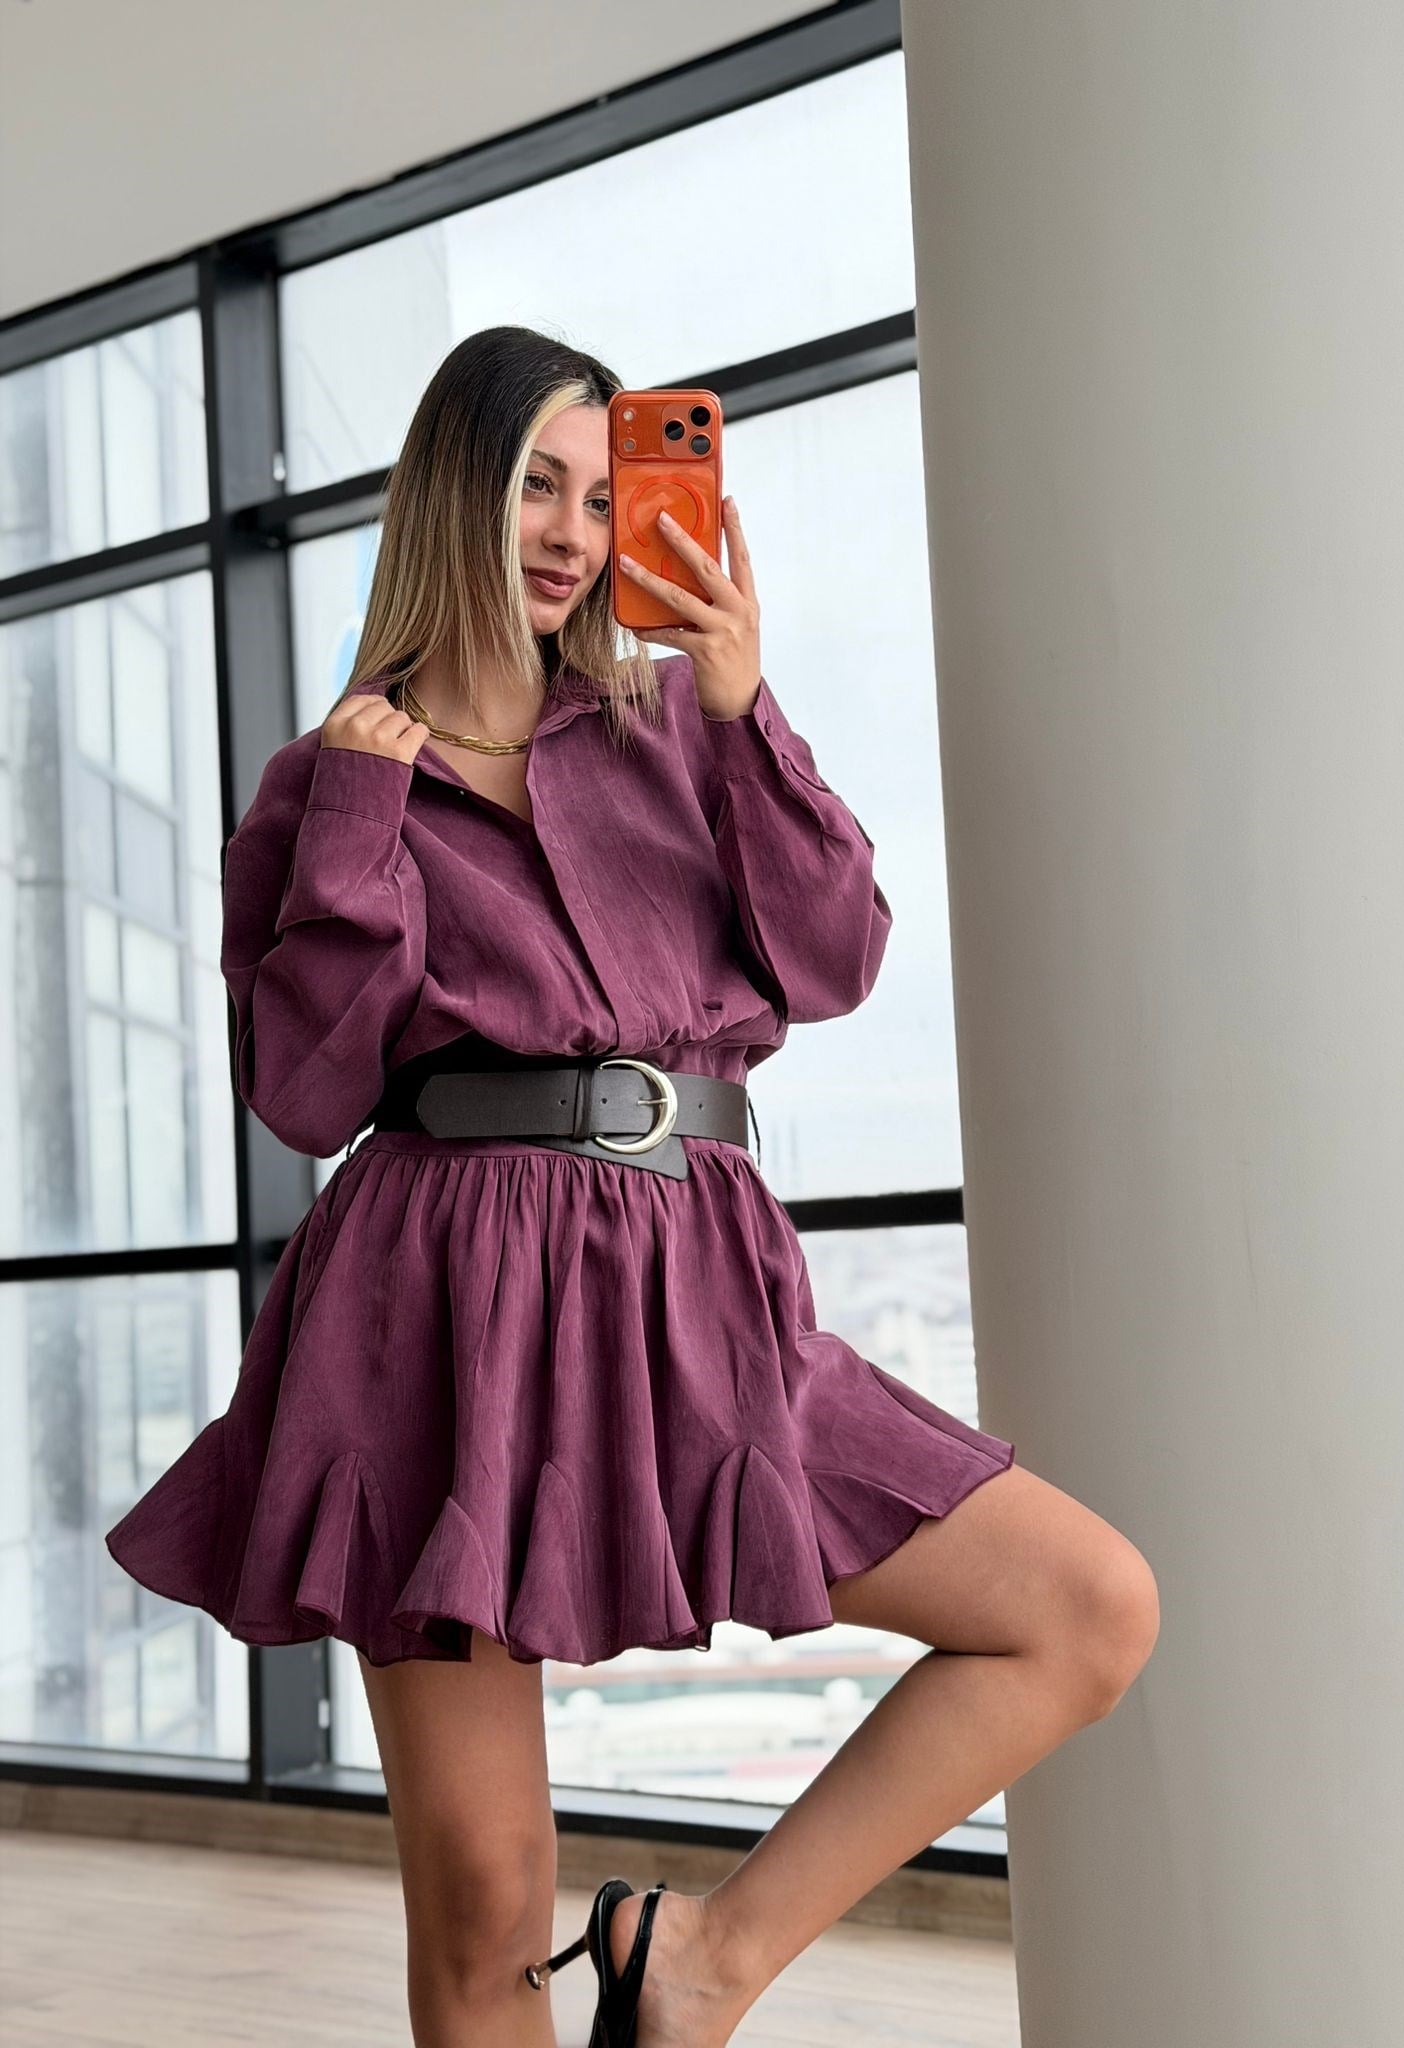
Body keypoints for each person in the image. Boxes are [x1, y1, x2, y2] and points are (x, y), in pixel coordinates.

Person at [104, 326, 1160, 2047]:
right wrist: (364, 809)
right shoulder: (328, 780)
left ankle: (698, 1964)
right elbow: (303, 1094)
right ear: (450, 486)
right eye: (538, 483)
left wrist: (744, 707)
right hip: (433, 1317)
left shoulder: (676, 723)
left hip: (699, 1293)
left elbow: (834, 960)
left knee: (1085, 1608)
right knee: (483, 1896)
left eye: (605, 497)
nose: (574, 534)